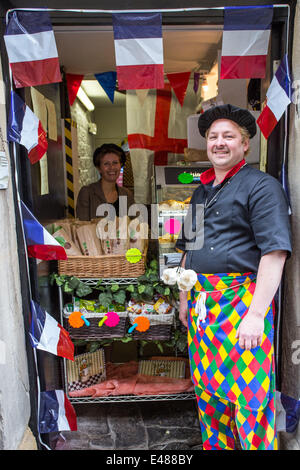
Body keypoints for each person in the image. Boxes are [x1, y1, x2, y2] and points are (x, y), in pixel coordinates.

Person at [175, 104, 292, 450]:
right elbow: (187, 248)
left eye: (229, 136)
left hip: (241, 305)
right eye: (213, 137)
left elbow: (275, 253)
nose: (219, 142)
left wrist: (256, 315)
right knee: (210, 397)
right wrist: (183, 298)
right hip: (201, 308)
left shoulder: (262, 187)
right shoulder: (200, 190)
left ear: (245, 145)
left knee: (250, 400)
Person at [76, 143, 135, 220]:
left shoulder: (127, 194)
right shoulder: (87, 193)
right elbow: (82, 227)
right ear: (99, 168)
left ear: (121, 165)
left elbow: (135, 225)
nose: (112, 167)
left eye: (115, 163)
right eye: (106, 164)